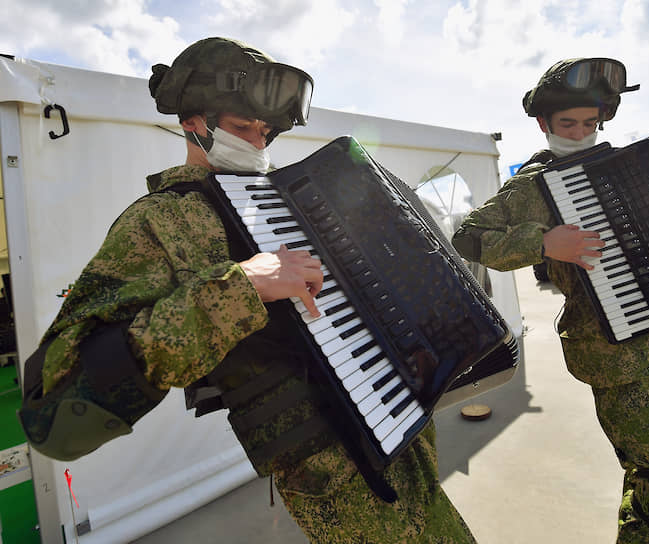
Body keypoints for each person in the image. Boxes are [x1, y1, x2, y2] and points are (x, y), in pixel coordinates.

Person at [18, 37, 476, 544]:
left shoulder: (298, 194)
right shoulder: (159, 221)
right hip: (332, 470)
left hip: (405, 427)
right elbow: (52, 415)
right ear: (193, 121)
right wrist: (241, 289)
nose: (258, 145)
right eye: (241, 128)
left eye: (267, 133)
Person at [452, 58, 649, 543]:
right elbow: (468, 238)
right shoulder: (534, 184)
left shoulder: (628, 166)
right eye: (567, 123)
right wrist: (544, 242)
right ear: (543, 123)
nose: (579, 134)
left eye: (589, 123)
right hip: (613, 356)